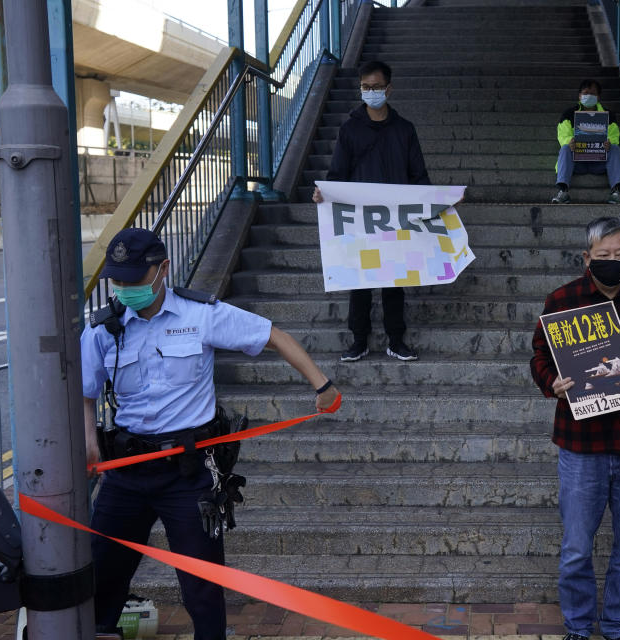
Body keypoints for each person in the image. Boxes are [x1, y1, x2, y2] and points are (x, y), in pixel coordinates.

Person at [81, 228, 340, 640]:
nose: (126, 288)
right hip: (126, 474)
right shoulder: (103, 330)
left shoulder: (200, 315)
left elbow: (274, 336)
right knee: (102, 575)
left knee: (201, 584)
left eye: (134, 278)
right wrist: (90, 440)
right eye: (119, 280)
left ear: (162, 269)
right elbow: (85, 391)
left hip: (187, 472)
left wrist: (323, 386)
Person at [530, 217, 620, 640]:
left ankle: (617, 628)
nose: (613, 261)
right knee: (576, 549)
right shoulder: (562, 301)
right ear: (587, 258)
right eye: (604, 255)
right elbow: (539, 355)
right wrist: (550, 382)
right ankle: (576, 627)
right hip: (581, 445)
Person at [313, 59, 429, 362]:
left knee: (395, 278)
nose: (371, 91)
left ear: (388, 89)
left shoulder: (405, 130)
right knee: (360, 280)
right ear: (360, 89)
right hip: (360, 219)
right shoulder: (350, 129)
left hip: (396, 217)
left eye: (377, 87)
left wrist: (439, 201)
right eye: (366, 87)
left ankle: (395, 340)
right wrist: (323, 194)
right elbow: (337, 172)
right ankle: (359, 340)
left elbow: (418, 175)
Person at [551, 79, 620, 205]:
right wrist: (569, 141)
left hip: (599, 161)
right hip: (577, 162)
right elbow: (562, 134)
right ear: (579, 96)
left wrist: (609, 142)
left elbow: (614, 135)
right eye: (585, 93)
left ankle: (616, 192)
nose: (588, 96)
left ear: (598, 97)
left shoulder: (608, 114)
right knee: (565, 148)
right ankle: (563, 191)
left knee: (615, 148)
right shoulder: (569, 114)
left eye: (592, 93)